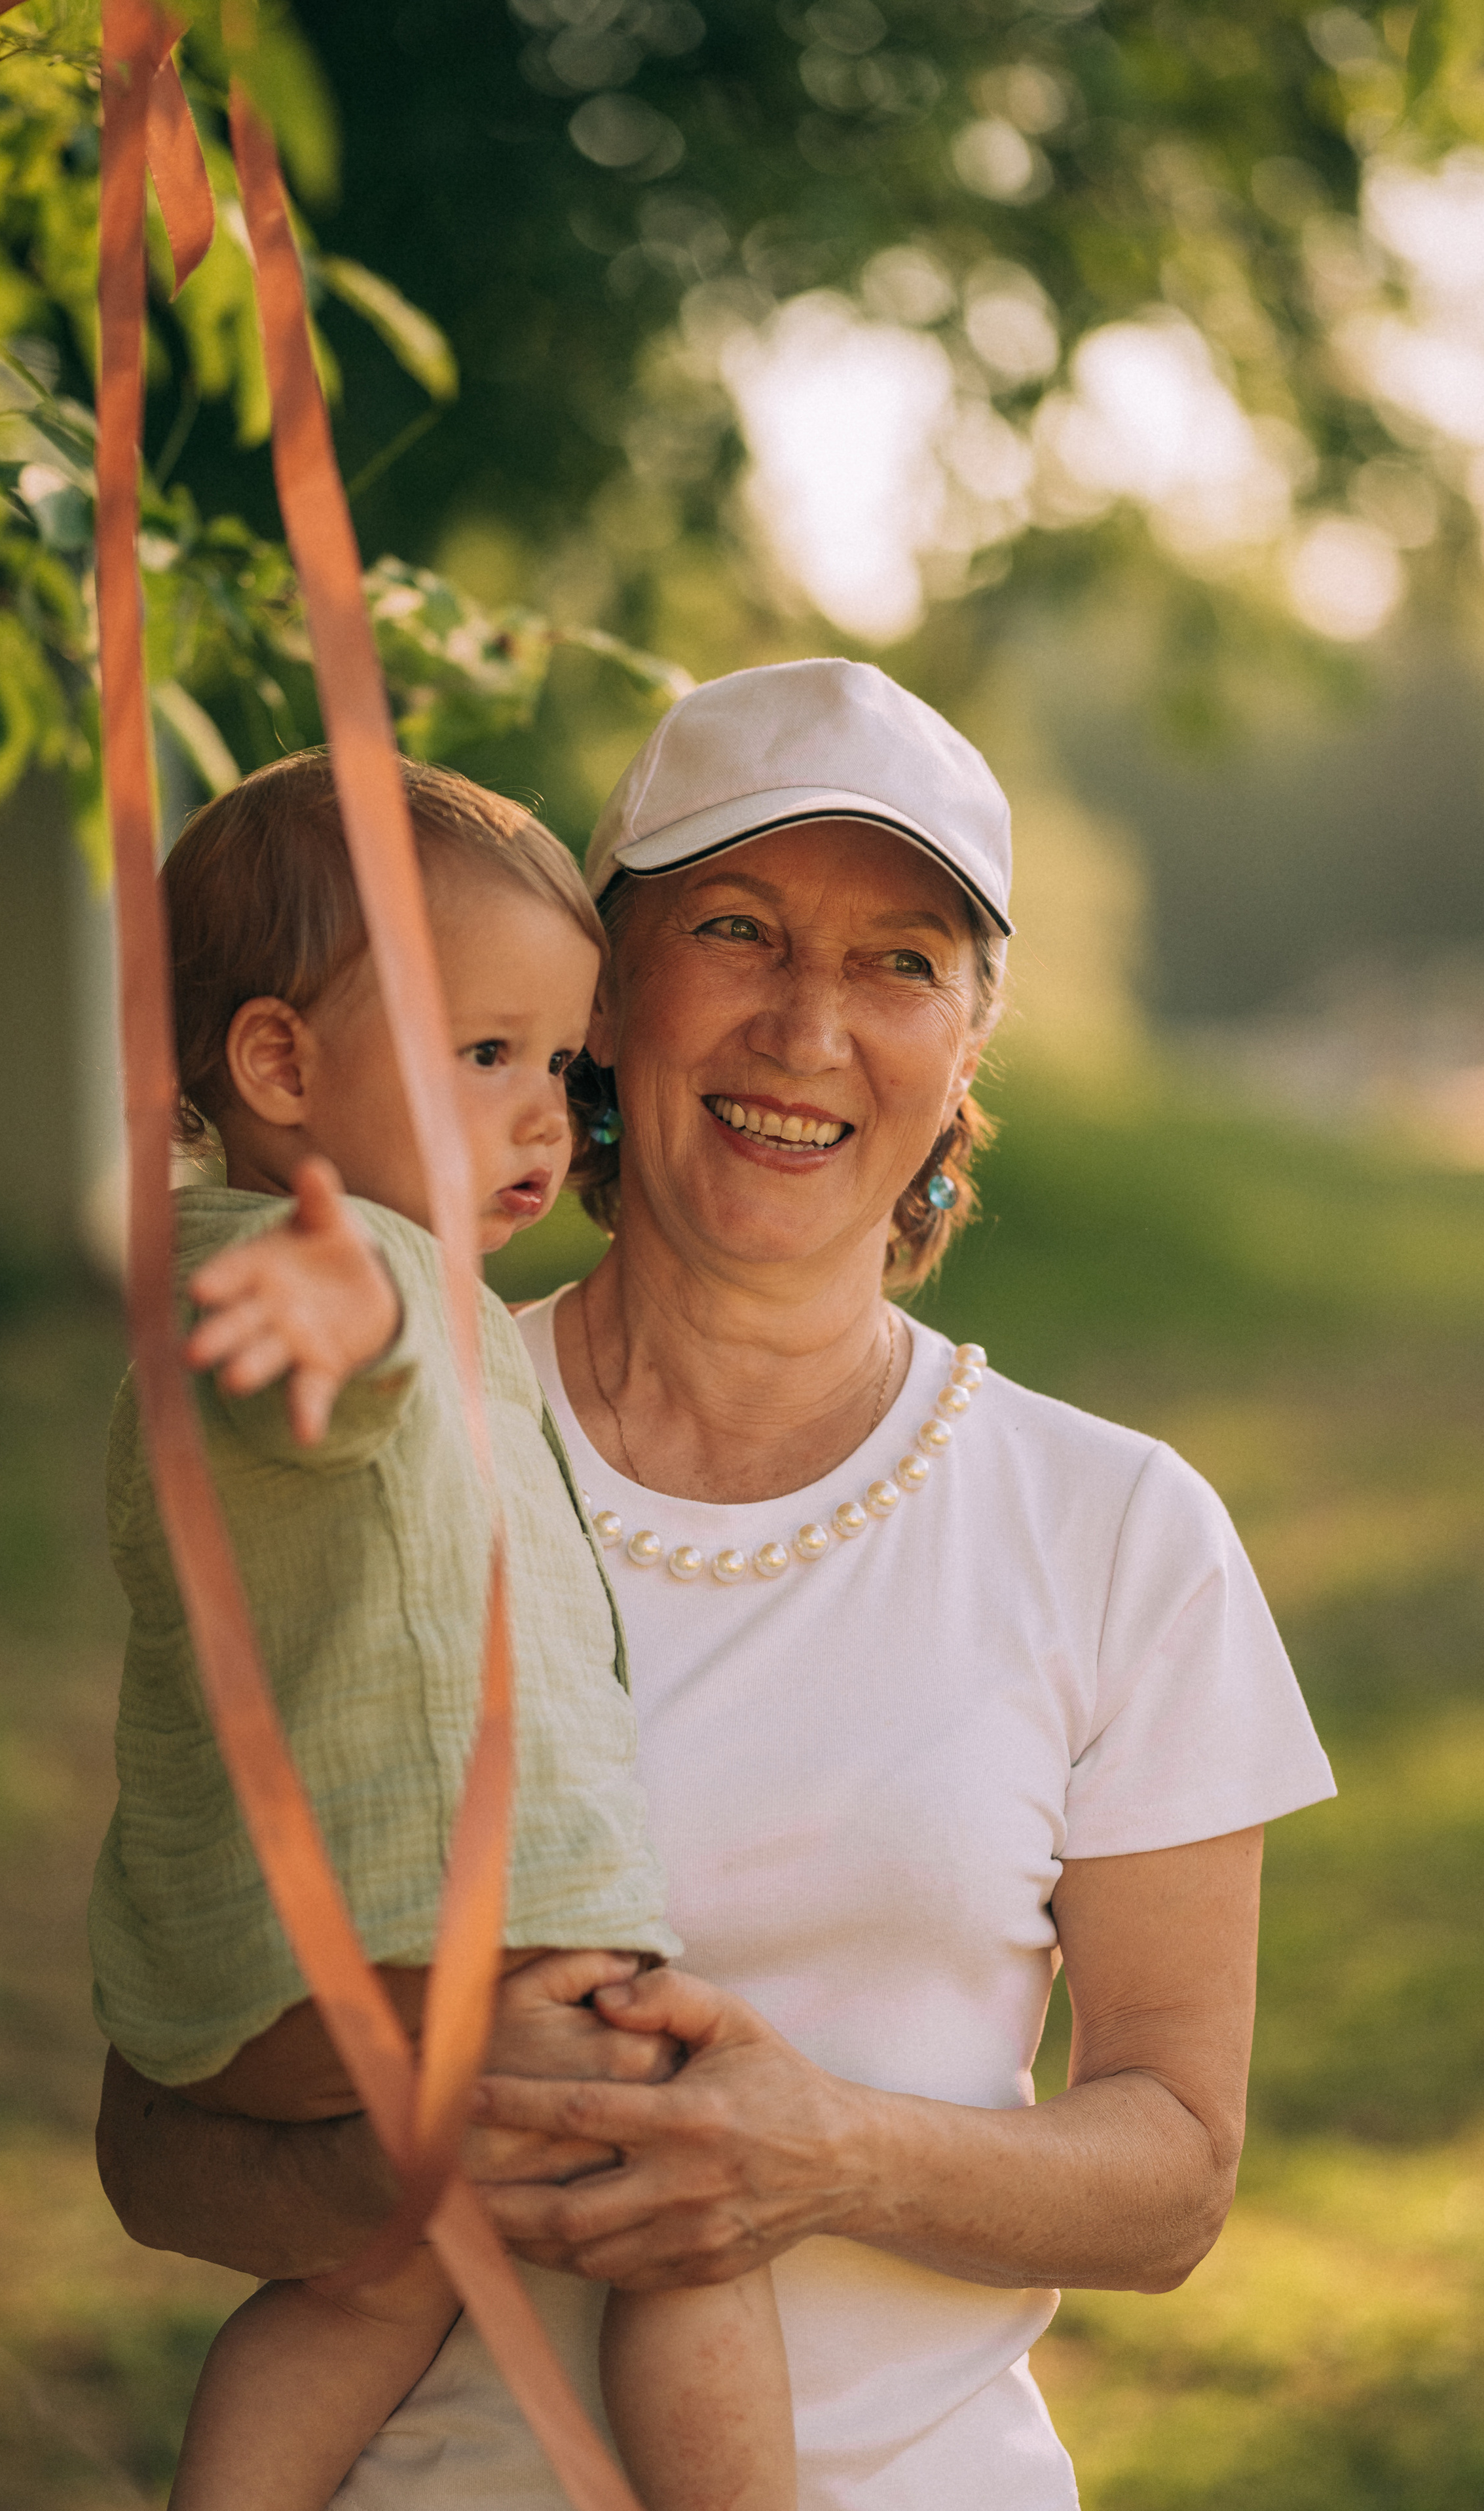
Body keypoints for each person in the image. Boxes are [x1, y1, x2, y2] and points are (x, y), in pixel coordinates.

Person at [96, 662, 1336, 2510]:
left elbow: (1173, 2175)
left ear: (967, 1044)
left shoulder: (1118, 1528)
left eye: (903, 962)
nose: (809, 1025)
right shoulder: (358, 1442)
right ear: (607, 989)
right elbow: (155, 2127)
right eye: (738, 929)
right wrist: (415, 2163)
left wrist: (816, 2149)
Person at [87, 749, 796, 2511]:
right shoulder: (354, 1268)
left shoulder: (312, 1275)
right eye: (486, 1054)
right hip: (424, 1947)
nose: (548, 1116)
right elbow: (338, 1364)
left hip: (259, 1987)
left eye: (560, 1062)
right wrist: (338, 1304)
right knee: (693, 2215)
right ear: (279, 1066)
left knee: (366, 2275)